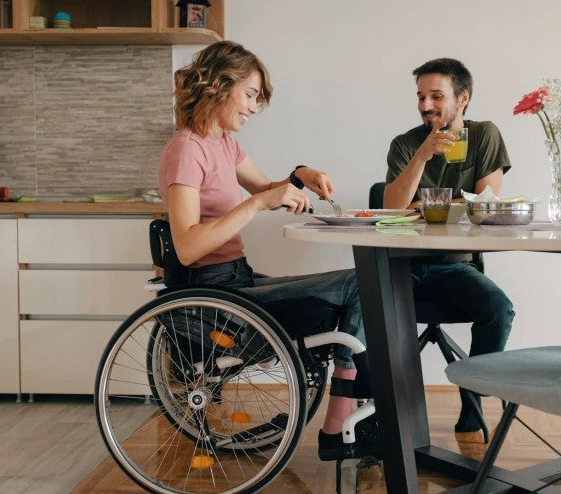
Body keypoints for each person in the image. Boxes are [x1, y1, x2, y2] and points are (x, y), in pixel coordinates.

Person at [159, 40, 375, 460]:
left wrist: (299, 174)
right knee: (356, 283)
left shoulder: (223, 143)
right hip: (212, 295)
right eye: (251, 95)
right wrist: (257, 203)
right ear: (220, 86)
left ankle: (349, 415)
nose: (254, 108)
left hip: (238, 278)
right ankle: (344, 423)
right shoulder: (186, 149)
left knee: (359, 283)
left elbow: (266, 189)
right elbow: (186, 247)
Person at [383, 57, 516, 433]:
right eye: (421, 96)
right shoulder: (406, 144)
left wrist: (423, 207)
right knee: (372, 314)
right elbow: (392, 208)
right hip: (402, 264)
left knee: (499, 309)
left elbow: (485, 207)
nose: (426, 105)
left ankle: (473, 400)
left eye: (436, 96)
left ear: (463, 98)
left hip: (455, 265)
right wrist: (424, 154)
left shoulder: (485, 135)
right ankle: (396, 421)